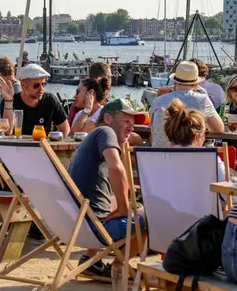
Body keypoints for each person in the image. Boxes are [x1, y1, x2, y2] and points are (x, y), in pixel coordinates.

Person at [68, 99, 148, 278]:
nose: (130, 127)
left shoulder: (91, 138)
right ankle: (118, 267)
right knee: (153, 216)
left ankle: (92, 262)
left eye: (132, 124)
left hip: (73, 227)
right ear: (107, 117)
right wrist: (123, 208)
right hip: (95, 229)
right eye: (126, 121)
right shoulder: (106, 131)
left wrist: (123, 203)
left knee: (116, 201)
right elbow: (116, 168)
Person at [149, 61, 224, 147]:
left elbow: (153, 130)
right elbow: (219, 128)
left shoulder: (158, 100)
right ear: (196, 85)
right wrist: (198, 128)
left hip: (157, 156)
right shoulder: (202, 99)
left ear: (174, 82)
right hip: (190, 156)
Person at [0, 63, 70, 137]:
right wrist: (8, 101)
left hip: (42, 146)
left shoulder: (50, 101)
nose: (41, 89)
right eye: (36, 85)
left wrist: (53, 144)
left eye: (43, 84)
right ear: (23, 84)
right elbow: (7, 132)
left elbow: (65, 129)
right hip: (16, 147)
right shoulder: (10, 101)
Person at [163, 98, 226, 181]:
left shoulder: (155, 159)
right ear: (196, 137)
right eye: (205, 133)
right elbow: (226, 192)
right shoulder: (211, 160)